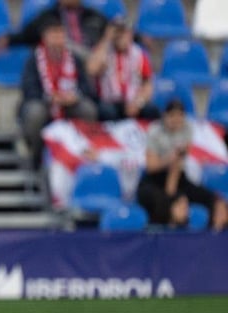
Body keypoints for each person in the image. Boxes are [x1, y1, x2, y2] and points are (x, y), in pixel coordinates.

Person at [136, 100, 228, 231]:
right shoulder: (155, 131)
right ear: (165, 116)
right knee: (162, 202)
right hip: (154, 179)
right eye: (172, 116)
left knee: (211, 199)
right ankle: (158, 240)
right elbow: (151, 166)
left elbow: (177, 165)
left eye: (179, 116)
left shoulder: (186, 129)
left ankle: (212, 238)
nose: (176, 120)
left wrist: (173, 193)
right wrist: (168, 160)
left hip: (177, 176)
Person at [20, 19, 98, 164]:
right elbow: (29, 89)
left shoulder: (75, 59)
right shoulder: (33, 60)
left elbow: (87, 88)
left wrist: (74, 96)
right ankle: (36, 156)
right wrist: (49, 98)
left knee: (87, 109)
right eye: (53, 34)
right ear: (45, 37)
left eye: (60, 34)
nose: (57, 39)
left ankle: (83, 152)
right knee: (35, 112)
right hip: (45, 103)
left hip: (70, 104)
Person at [88, 19, 157, 122]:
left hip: (133, 100)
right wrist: (107, 39)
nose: (121, 36)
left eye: (124, 32)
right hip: (109, 100)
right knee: (107, 112)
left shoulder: (138, 54)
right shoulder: (103, 50)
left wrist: (138, 102)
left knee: (152, 110)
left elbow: (148, 84)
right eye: (118, 33)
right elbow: (92, 70)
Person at [3, 0, 109, 57]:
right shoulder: (48, 17)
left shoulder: (94, 16)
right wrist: (7, 40)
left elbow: (110, 33)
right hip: (60, 59)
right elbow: (26, 35)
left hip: (92, 60)